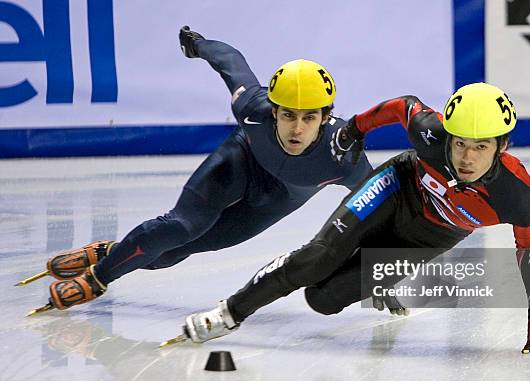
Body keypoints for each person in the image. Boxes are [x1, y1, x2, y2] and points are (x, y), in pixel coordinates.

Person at [181, 82, 530, 356]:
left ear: (503, 146)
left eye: (481, 147)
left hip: (429, 238)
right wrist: (355, 128)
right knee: (318, 258)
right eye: (459, 143)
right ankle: (230, 313)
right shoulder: (430, 133)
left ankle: (368, 273)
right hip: (396, 187)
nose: (466, 157)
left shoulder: (519, 195)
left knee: (322, 299)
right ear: (448, 135)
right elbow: (403, 106)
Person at [29, 26, 372, 311]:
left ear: (326, 117)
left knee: (175, 252)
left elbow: (383, 208)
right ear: (274, 109)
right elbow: (231, 62)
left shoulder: (344, 155)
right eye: (288, 115)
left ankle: (111, 251)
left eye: (309, 117)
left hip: (276, 199)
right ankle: (97, 278)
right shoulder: (254, 108)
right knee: (181, 226)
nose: (297, 129)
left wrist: (382, 278)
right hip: (239, 163)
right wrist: (198, 44)